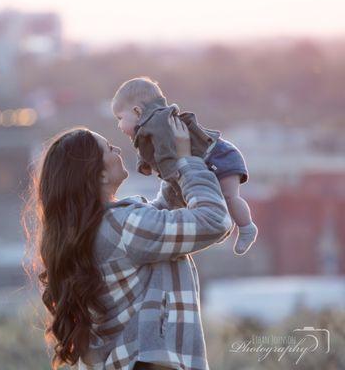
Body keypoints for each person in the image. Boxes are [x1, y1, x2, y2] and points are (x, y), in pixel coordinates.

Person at [23, 117, 233, 370]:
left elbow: (158, 225)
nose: (118, 149)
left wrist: (171, 164)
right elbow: (214, 220)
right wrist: (188, 162)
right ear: (98, 174)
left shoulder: (93, 230)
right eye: (110, 148)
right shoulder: (123, 226)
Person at [111, 76, 258, 255]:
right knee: (177, 196)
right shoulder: (149, 126)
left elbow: (166, 153)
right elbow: (149, 154)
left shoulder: (158, 123)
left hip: (219, 156)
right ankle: (217, 226)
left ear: (137, 111)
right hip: (207, 160)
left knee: (229, 197)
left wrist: (169, 170)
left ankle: (246, 227)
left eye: (120, 118)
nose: (119, 125)